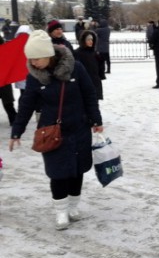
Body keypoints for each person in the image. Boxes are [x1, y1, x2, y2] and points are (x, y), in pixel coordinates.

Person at [9, 30, 103, 231]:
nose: (33, 63)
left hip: (78, 127)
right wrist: (17, 131)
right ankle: (61, 210)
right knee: (58, 173)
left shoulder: (75, 68)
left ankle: (73, 206)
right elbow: (26, 105)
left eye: (37, 58)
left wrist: (96, 120)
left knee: (77, 171)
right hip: (52, 133)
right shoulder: (35, 77)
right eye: (30, 59)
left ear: (49, 54)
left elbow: (89, 94)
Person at [74, 30, 104, 100]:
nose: (91, 42)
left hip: (94, 83)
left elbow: (99, 68)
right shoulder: (77, 53)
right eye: (88, 39)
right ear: (83, 40)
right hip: (83, 84)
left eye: (92, 39)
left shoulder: (95, 53)